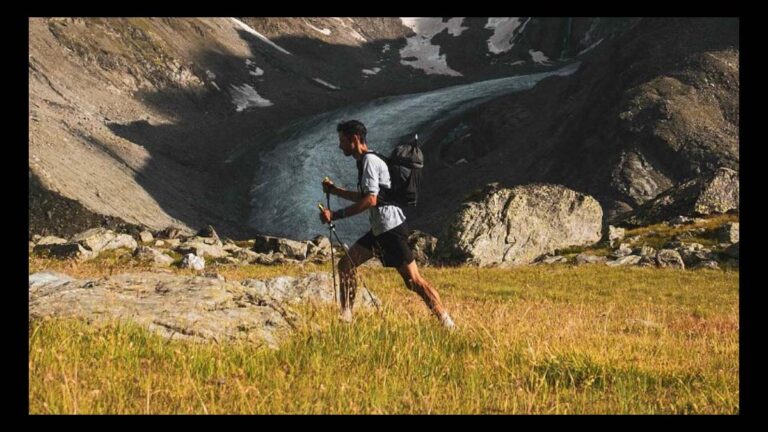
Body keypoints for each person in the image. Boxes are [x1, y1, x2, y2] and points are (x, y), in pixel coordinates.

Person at [319, 120, 456, 329]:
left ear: (354, 139)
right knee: (346, 265)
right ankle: (345, 319)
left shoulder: (369, 162)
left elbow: (371, 200)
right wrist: (335, 191)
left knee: (414, 281)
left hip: (390, 229)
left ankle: (448, 323)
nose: (340, 146)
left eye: (342, 140)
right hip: (381, 229)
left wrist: (336, 215)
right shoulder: (368, 160)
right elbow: (368, 195)